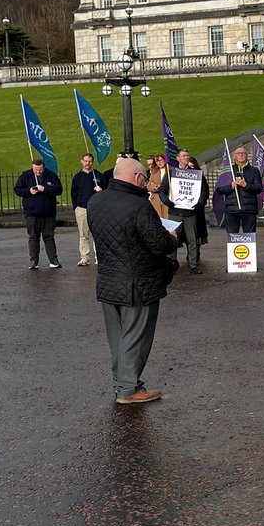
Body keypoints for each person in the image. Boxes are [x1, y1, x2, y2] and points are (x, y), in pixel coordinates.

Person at [87, 156, 178, 404]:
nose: (145, 183)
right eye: (144, 179)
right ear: (137, 177)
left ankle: (122, 383)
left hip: (108, 279)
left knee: (118, 338)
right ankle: (128, 389)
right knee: (136, 336)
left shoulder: (95, 201)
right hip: (138, 281)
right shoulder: (138, 205)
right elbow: (159, 244)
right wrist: (171, 236)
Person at [159, 147, 209, 274]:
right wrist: (167, 201)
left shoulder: (197, 173)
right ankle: (171, 264)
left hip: (190, 212)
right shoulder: (171, 173)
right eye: (183, 156)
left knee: (192, 240)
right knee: (173, 239)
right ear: (178, 158)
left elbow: (204, 191)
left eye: (187, 155)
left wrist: (199, 204)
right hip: (175, 211)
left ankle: (193, 265)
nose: (186, 157)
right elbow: (162, 190)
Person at [14, 157, 63, 268]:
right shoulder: (26, 176)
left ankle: (53, 260)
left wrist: (44, 189)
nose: (38, 172)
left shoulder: (51, 175)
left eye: (40, 170)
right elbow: (17, 189)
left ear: (43, 167)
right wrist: (29, 191)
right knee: (33, 237)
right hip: (31, 213)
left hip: (48, 213)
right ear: (32, 167)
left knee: (49, 237)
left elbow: (59, 190)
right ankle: (33, 261)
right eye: (36, 170)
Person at [215, 145, 263, 235]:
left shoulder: (254, 170)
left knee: (249, 237)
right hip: (232, 210)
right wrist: (231, 186)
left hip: (249, 209)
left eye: (243, 153)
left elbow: (258, 188)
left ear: (247, 155)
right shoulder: (228, 170)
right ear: (234, 156)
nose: (241, 155)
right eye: (238, 154)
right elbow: (219, 189)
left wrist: (246, 185)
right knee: (232, 237)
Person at [71, 152, 105, 265]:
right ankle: (84, 257)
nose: (87, 163)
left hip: (96, 209)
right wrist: (76, 208)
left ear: (92, 162)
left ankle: (99, 257)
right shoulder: (77, 177)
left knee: (97, 234)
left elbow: (107, 191)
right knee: (83, 234)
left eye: (90, 161)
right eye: (85, 161)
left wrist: (101, 190)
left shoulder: (98, 175)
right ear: (82, 161)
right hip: (82, 209)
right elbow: (73, 194)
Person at [147, 153, 169, 219]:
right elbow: (149, 187)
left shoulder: (170, 170)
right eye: (157, 161)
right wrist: (160, 186)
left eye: (161, 160)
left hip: (167, 199)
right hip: (156, 201)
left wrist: (155, 185)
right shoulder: (154, 172)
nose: (159, 163)